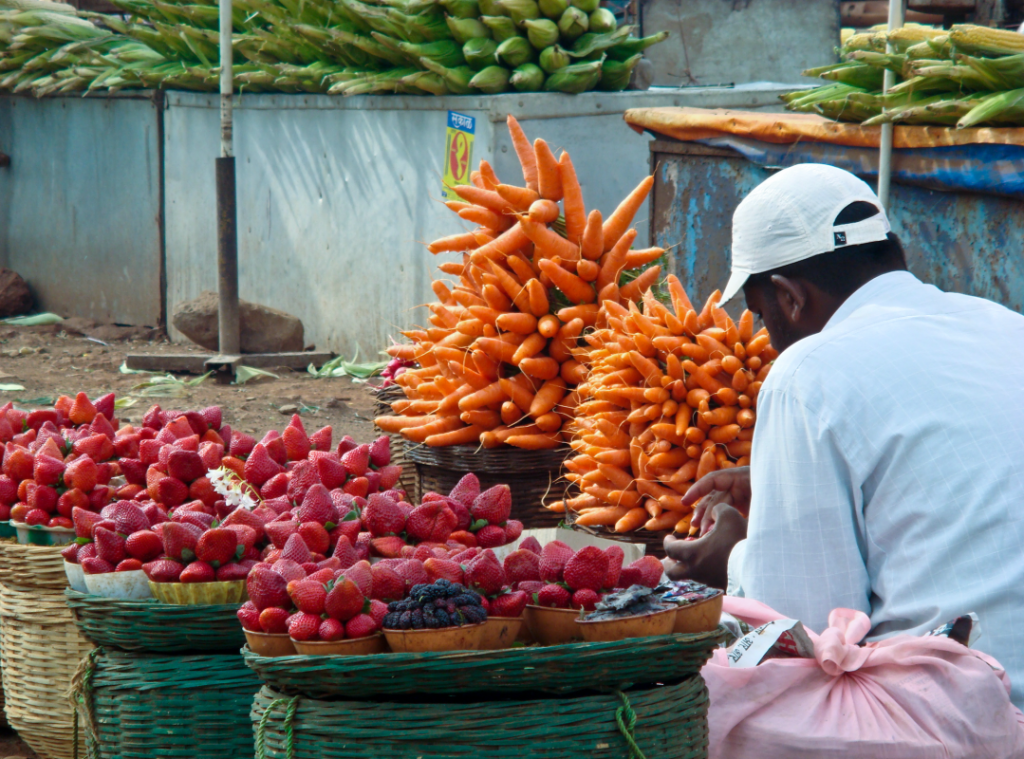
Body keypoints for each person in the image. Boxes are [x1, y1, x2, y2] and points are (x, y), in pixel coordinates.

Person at [662, 163, 1024, 708]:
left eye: (761, 316)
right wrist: (778, 488)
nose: (766, 338)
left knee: (707, 702)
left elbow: (801, 621)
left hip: (965, 712)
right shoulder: (1005, 325)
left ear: (788, 297)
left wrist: (732, 559)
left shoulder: (808, 370)